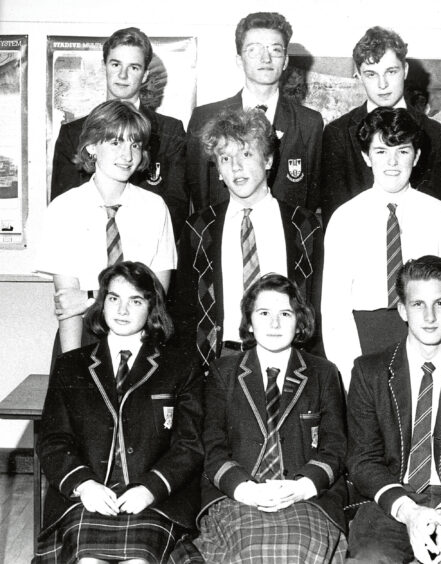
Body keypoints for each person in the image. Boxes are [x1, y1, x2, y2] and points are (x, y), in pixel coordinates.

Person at [35, 261, 203, 564]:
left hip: (153, 500)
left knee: (138, 560)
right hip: (87, 497)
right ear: (102, 304)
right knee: (88, 560)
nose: (122, 310)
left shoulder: (181, 366)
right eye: (114, 299)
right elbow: (53, 441)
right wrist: (84, 485)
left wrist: (150, 489)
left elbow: (188, 446)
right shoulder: (71, 365)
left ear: (152, 308)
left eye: (135, 300)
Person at [346, 256, 441, 564]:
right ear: (403, 310)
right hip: (391, 498)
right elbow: (363, 460)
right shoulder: (370, 372)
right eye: (418, 304)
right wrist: (410, 512)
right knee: (370, 557)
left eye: (440, 304)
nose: (429, 316)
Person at [195, 273, 347, 562]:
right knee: (251, 551)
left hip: (305, 498)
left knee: (299, 547)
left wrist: (301, 488)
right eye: (264, 313)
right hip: (239, 495)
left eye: (285, 313)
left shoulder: (323, 372)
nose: (274, 324)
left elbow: (335, 447)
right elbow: (212, 447)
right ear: (249, 322)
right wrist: (246, 490)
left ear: (299, 321)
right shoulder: (223, 372)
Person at [322, 107, 441, 389]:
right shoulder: (345, 218)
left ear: (417, 156)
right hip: (365, 336)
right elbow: (334, 307)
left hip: (426, 331)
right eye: (381, 151)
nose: (393, 162)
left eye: (402, 151)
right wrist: (351, 371)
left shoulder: (439, 214)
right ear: (366, 156)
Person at [172, 108, 323, 368]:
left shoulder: (304, 226)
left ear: (268, 160)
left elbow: (317, 304)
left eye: (246, 154)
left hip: (287, 359)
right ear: (217, 169)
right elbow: (183, 311)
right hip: (219, 361)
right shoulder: (199, 228)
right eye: (225, 158)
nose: (236, 167)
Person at [36, 100, 176, 356]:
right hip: (83, 336)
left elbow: (156, 294)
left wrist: (90, 295)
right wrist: (72, 367)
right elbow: (68, 307)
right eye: (115, 142)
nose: (127, 155)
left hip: (141, 338)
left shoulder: (155, 207)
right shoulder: (63, 208)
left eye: (135, 144)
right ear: (91, 146)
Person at [50, 27, 188, 238]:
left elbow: (176, 210)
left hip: (146, 255)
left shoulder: (169, 131)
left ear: (145, 76)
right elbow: (63, 212)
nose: (123, 75)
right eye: (116, 64)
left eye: (133, 67)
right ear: (104, 66)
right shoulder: (73, 133)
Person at [186, 12, 323, 212]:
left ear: (285, 61)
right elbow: (199, 193)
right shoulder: (204, 118)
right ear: (239, 60)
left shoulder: (309, 122)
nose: (265, 58)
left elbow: (311, 197)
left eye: (275, 50)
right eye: (254, 50)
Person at [320, 26, 441, 223]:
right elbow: (336, 217)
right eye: (371, 74)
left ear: (405, 70)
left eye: (391, 71)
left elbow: (436, 216)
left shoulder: (436, 135)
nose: (382, 84)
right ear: (358, 74)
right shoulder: (337, 133)